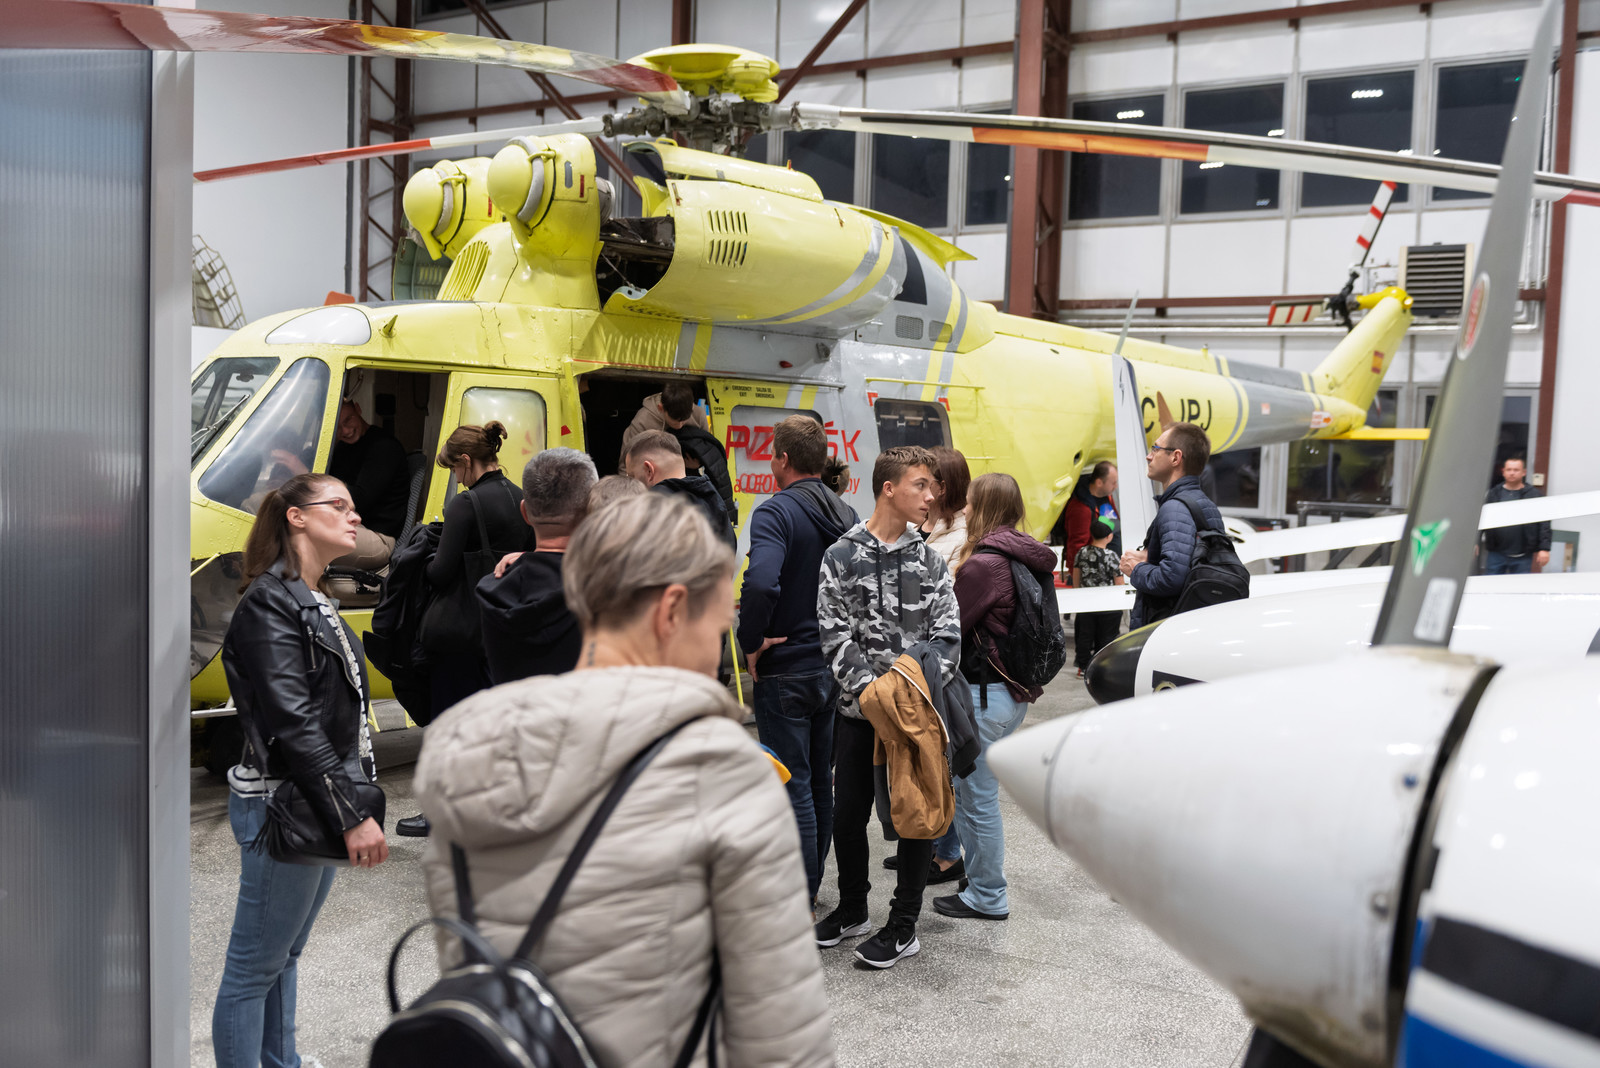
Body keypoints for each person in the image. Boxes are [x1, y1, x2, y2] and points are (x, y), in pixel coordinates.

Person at [413, 495, 834, 1067]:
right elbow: (779, 1024)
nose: (718, 651)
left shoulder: (466, 752)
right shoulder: (720, 768)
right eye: (717, 627)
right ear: (671, 610)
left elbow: (467, 960)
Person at [214, 473, 388, 1068]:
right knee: (253, 968)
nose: (354, 516)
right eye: (339, 505)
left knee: (281, 957)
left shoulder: (311, 596)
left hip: (309, 797)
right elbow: (295, 723)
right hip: (283, 801)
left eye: (354, 506)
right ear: (297, 517)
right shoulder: (272, 601)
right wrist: (351, 814)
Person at [815, 445, 961, 969]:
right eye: (921, 485)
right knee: (848, 814)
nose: (931, 496)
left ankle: (903, 926)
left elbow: (948, 638)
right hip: (859, 715)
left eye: (933, 487)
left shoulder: (930, 561)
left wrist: (902, 698)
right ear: (888, 488)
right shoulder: (840, 556)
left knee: (915, 816)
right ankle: (853, 907)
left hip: (914, 717)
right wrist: (874, 695)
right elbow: (834, 637)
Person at [737, 415, 859, 907]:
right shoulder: (847, 514)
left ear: (783, 459)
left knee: (792, 786)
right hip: (833, 665)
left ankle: (798, 896)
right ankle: (812, 886)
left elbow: (761, 582)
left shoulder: (775, 512)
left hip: (785, 666)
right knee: (819, 785)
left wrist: (751, 641)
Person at [931, 472, 1056, 923]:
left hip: (983, 696)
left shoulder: (983, 565)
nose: (964, 508)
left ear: (983, 506)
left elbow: (951, 626)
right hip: (1013, 693)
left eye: (970, 501)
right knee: (976, 796)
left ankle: (987, 895)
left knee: (976, 800)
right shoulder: (1029, 556)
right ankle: (979, 882)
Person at [425, 421, 533, 709]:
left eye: (454, 469)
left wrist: (423, 560)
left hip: (467, 633)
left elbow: (440, 573)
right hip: (510, 625)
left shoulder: (465, 503)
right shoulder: (523, 497)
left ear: (466, 460)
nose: (457, 478)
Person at [476, 448, 596, 686]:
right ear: (591, 511)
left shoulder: (491, 591)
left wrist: (529, 559)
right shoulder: (606, 590)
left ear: (525, 512)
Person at [918, 446, 971, 884]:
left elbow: (945, 601)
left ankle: (948, 854)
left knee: (940, 762)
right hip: (917, 657)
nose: (921, 488)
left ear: (944, 486)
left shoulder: (961, 535)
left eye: (927, 481)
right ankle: (930, 846)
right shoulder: (925, 525)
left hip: (940, 662)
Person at [1121, 422, 1224, 629]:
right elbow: (1192, 565)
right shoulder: (1206, 505)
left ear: (1175, 458)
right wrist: (1151, 557)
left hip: (1166, 627)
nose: (1149, 456)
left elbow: (1172, 578)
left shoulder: (1174, 508)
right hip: (1196, 623)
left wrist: (1136, 569)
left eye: (1155, 449)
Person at [326, 399, 412, 571]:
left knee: (304, 534)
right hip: (353, 526)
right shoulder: (342, 448)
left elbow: (359, 499)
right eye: (338, 427)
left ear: (358, 409)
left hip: (378, 538)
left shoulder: (384, 447)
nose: (346, 431)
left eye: (348, 419)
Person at [623, 429, 736, 546]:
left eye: (632, 476)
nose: (631, 482)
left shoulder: (649, 512)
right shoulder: (714, 501)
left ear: (649, 470)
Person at [617, 380, 709, 472]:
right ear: (661, 408)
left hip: (687, 473)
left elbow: (708, 451)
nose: (680, 426)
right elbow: (625, 466)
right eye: (675, 421)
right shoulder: (643, 421)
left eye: (684, 420)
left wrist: (699, 463)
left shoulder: (699, 415)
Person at [1072, 518, 1125, 676]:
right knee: (1106, 638)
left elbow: (1076, 578)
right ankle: (1101, 668)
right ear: (1109, 536)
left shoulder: (1081, 552)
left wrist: (1078, 595)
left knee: (1084, 636)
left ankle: (1083, 667)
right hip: (1107, 605)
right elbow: (1119, 583)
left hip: (1086, 603)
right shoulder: (1112, 556)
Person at [1482, 457, 1552, 574]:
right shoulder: (1494, 494)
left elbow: (1544, 523)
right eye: (1509, 470)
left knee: (1520, 585)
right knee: (1490, 584)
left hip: (1523, 556)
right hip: (1496, 554)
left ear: (1523, 472)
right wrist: (1474, 543)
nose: (1512, 473)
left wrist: (1544, 549)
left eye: (1516, 470)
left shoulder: (1534, 495)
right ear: (1503, 472)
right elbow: (1481, 518)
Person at [1064, 461, 1121, 584]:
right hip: (1095, 576)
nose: (1116, 486)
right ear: (1099, 482)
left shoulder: (1107, 496)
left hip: (1111, 567)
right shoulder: (1081, 508)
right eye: (1113, 483)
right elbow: (1076, 545)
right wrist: (1076, 578)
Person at [921, 446, 970, 563]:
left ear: (942, 488)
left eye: (923, 482)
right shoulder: (910, 524)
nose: (915, 488)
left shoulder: (964, 539)